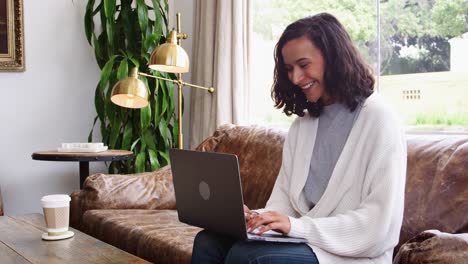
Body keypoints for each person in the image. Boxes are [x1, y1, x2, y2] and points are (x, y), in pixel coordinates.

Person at [191, 12, 406, 264]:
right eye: (289, 69)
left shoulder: (380, 120)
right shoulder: (302, 125)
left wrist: (296, 227)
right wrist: (255, 218)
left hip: (352, 254)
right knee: (208, 241)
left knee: (247, 257)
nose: (295, 78)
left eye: (304, 65)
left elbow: (378, 227)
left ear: (334, 59)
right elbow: (283, 203)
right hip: (305, 240)